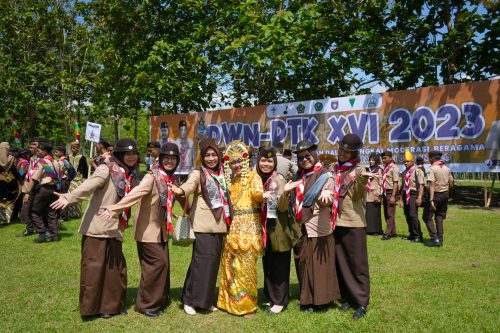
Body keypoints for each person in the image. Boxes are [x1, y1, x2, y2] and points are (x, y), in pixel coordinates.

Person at [50, 138, 139, 319]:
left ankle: (111, 306)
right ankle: (91, 308)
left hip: (115, 228)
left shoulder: (129, 173)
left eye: (134, 153)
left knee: (115, 269)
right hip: (97, 227)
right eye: (126, 153)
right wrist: (70, 196)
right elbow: (89, 185)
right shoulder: (107, 168)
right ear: (119, 155)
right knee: (94, 269)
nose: (131, 157)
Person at [101, 142, 182, 317]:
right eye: (166, 158)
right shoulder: (152, 176)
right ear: (159, 159)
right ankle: (147, 305)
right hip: (148, 230)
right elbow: (135, 194)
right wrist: (115, 208)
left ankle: (161, 299)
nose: (169, 161)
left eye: (173, 158)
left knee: (163, 264)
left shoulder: (171, 178)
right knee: (156, 265)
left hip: (161, 231)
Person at [169, 138, 232, 316]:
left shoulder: (223, 174)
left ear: (219, 156)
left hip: (221, 225)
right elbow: (189, 186)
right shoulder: (198, 173)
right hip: (203, 224)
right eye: (207, 155)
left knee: (212, 264)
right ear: (202, 157)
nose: (211, 158)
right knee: (200, 263)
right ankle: (189, 300)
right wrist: (180, 191)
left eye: (214, 155)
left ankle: (204, 301)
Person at [288, 139, 340, 312]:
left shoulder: (325, 174)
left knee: (319, 264)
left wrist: (327, 193)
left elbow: (329, 194)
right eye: (301, 157)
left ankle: (322, 300)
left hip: (318, 225)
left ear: (314, 154)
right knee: (302, 262)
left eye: (307, 156)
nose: (304, 160)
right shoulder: (298, 176)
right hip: (299, 225)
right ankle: (306, 299)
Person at [217, 141, 264, 317]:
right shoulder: (230, 181)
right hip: (234, 227)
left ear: (245, 161)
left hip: (250, 226)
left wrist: (265, 194)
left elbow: (258, 195)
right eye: (232, 162)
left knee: (246, 268)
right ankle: (227, 302)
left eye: (238, 161)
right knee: (230, 265)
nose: (236, 165)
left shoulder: (254, 177)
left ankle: (246, 305)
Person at [332, 134, 375, 320]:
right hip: (336, 221)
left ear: (354, 153)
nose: (342, 153)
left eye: (346, 151)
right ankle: (347, 298)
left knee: (357, 264)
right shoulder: (334, 168)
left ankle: (362, 302)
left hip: (353, 221)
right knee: (341, 263)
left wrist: (362, 180)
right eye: (341, 149)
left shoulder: (359, 170)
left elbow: (358, 197)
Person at [257, 147, 300, 314]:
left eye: (270, 161)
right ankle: (270, 295)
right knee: (267, 262)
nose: (266, 164)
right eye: (263, 160)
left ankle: (280, 300)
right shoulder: (257, 179)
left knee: (279, 264)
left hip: (278, 227)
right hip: (264, 226)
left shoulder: (278, 179)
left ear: (275, 163)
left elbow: (282, 208)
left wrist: (284, 194)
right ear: (258, 161)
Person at [28, 141, 62, 243]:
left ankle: (42, 233)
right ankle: (55, 236)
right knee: (52, 213)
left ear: (45, 151)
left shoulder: (42, 162)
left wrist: (28, 192)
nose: (37, 152)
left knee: (34, 211)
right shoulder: (56, 162)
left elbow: (34, 178)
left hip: (44, 189)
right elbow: (59, 178)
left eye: (39, 150)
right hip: (54, 189)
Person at [424, 151, 454, 247]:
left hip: (435, 195)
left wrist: (431, 199)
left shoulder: (432, 169)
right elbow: (451, 183)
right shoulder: (447, 168)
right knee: (439, 217)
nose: (428, 160)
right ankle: (440, 240)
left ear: (432, 158)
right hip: (445, 194)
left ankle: (434, 238)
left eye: (429, 158)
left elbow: (431, 184)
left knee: (427, 217)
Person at [399, 149, 424, 243]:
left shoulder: (417, 171)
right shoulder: (405, 172)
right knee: (407, 214)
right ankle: (412, 234)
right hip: (406, 194)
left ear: (412, 162)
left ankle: (418, 235)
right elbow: (403, 187)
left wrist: (419, 197)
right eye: (404, 161)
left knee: (413, 215)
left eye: (407, 161)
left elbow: (421, 185)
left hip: (414, 194)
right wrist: (401, 199)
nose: (405, 163)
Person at [18, 138, 39, 236]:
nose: (30, 149)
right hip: (30, 185)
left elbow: (34, 175)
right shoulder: (31, 159)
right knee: (30, 207)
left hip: (38, 186)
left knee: (35, 208)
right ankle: (31, 228)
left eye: (32, 147)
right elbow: (26, 174)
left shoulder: (40, 159)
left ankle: (43, 229)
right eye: (29, 147)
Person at [380, 151, 400, 240]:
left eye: (385, 158)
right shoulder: (386, 168)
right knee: (386, 212)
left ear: (390, 158)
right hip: (385, 191)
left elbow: (396, 182)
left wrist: (393, 195)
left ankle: (387, 233)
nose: (383, 160)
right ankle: (393, 232)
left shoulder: (394, 168)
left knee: (390, 213)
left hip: (391, 191)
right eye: (382, 158)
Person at [0, 142, 20, 224]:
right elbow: (16, 171)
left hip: (1, 183)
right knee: (10, 201)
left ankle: (2, 216)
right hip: (11, 183)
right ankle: (7, 218)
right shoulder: (13, 158)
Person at [68, 141, 88, 218]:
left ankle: (77, 214)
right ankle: (70, 213)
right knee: (70, 195)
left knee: (77, 195)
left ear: (78, 148)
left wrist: (84, 179)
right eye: (72, 148)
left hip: (79, 179)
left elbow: (85, 169)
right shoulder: (69, 157)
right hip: (70, 179)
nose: (73, 149)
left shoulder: (82, 157)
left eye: (75, 148)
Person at [54, 145, 74, 221]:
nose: (55, 152)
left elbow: (71, 169)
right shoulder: (62, 160)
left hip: (64, 181)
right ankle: (62, 215)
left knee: (63, 197)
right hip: (62, 181)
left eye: (57, 151)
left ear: (62, 152)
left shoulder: (64, 161)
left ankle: (64, 216)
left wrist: (69, 178)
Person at [365, 153, 383, 235]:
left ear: (376, 161)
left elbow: (381, 183)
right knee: (368, 212)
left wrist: (379, 195)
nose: (371, 161)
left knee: (375, 212)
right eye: (370, 160)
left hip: (375, 193)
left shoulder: (379, 170)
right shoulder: (367, 169)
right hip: (367, 193)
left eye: (373, 160)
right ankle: (369, 229)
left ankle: (376, 230)